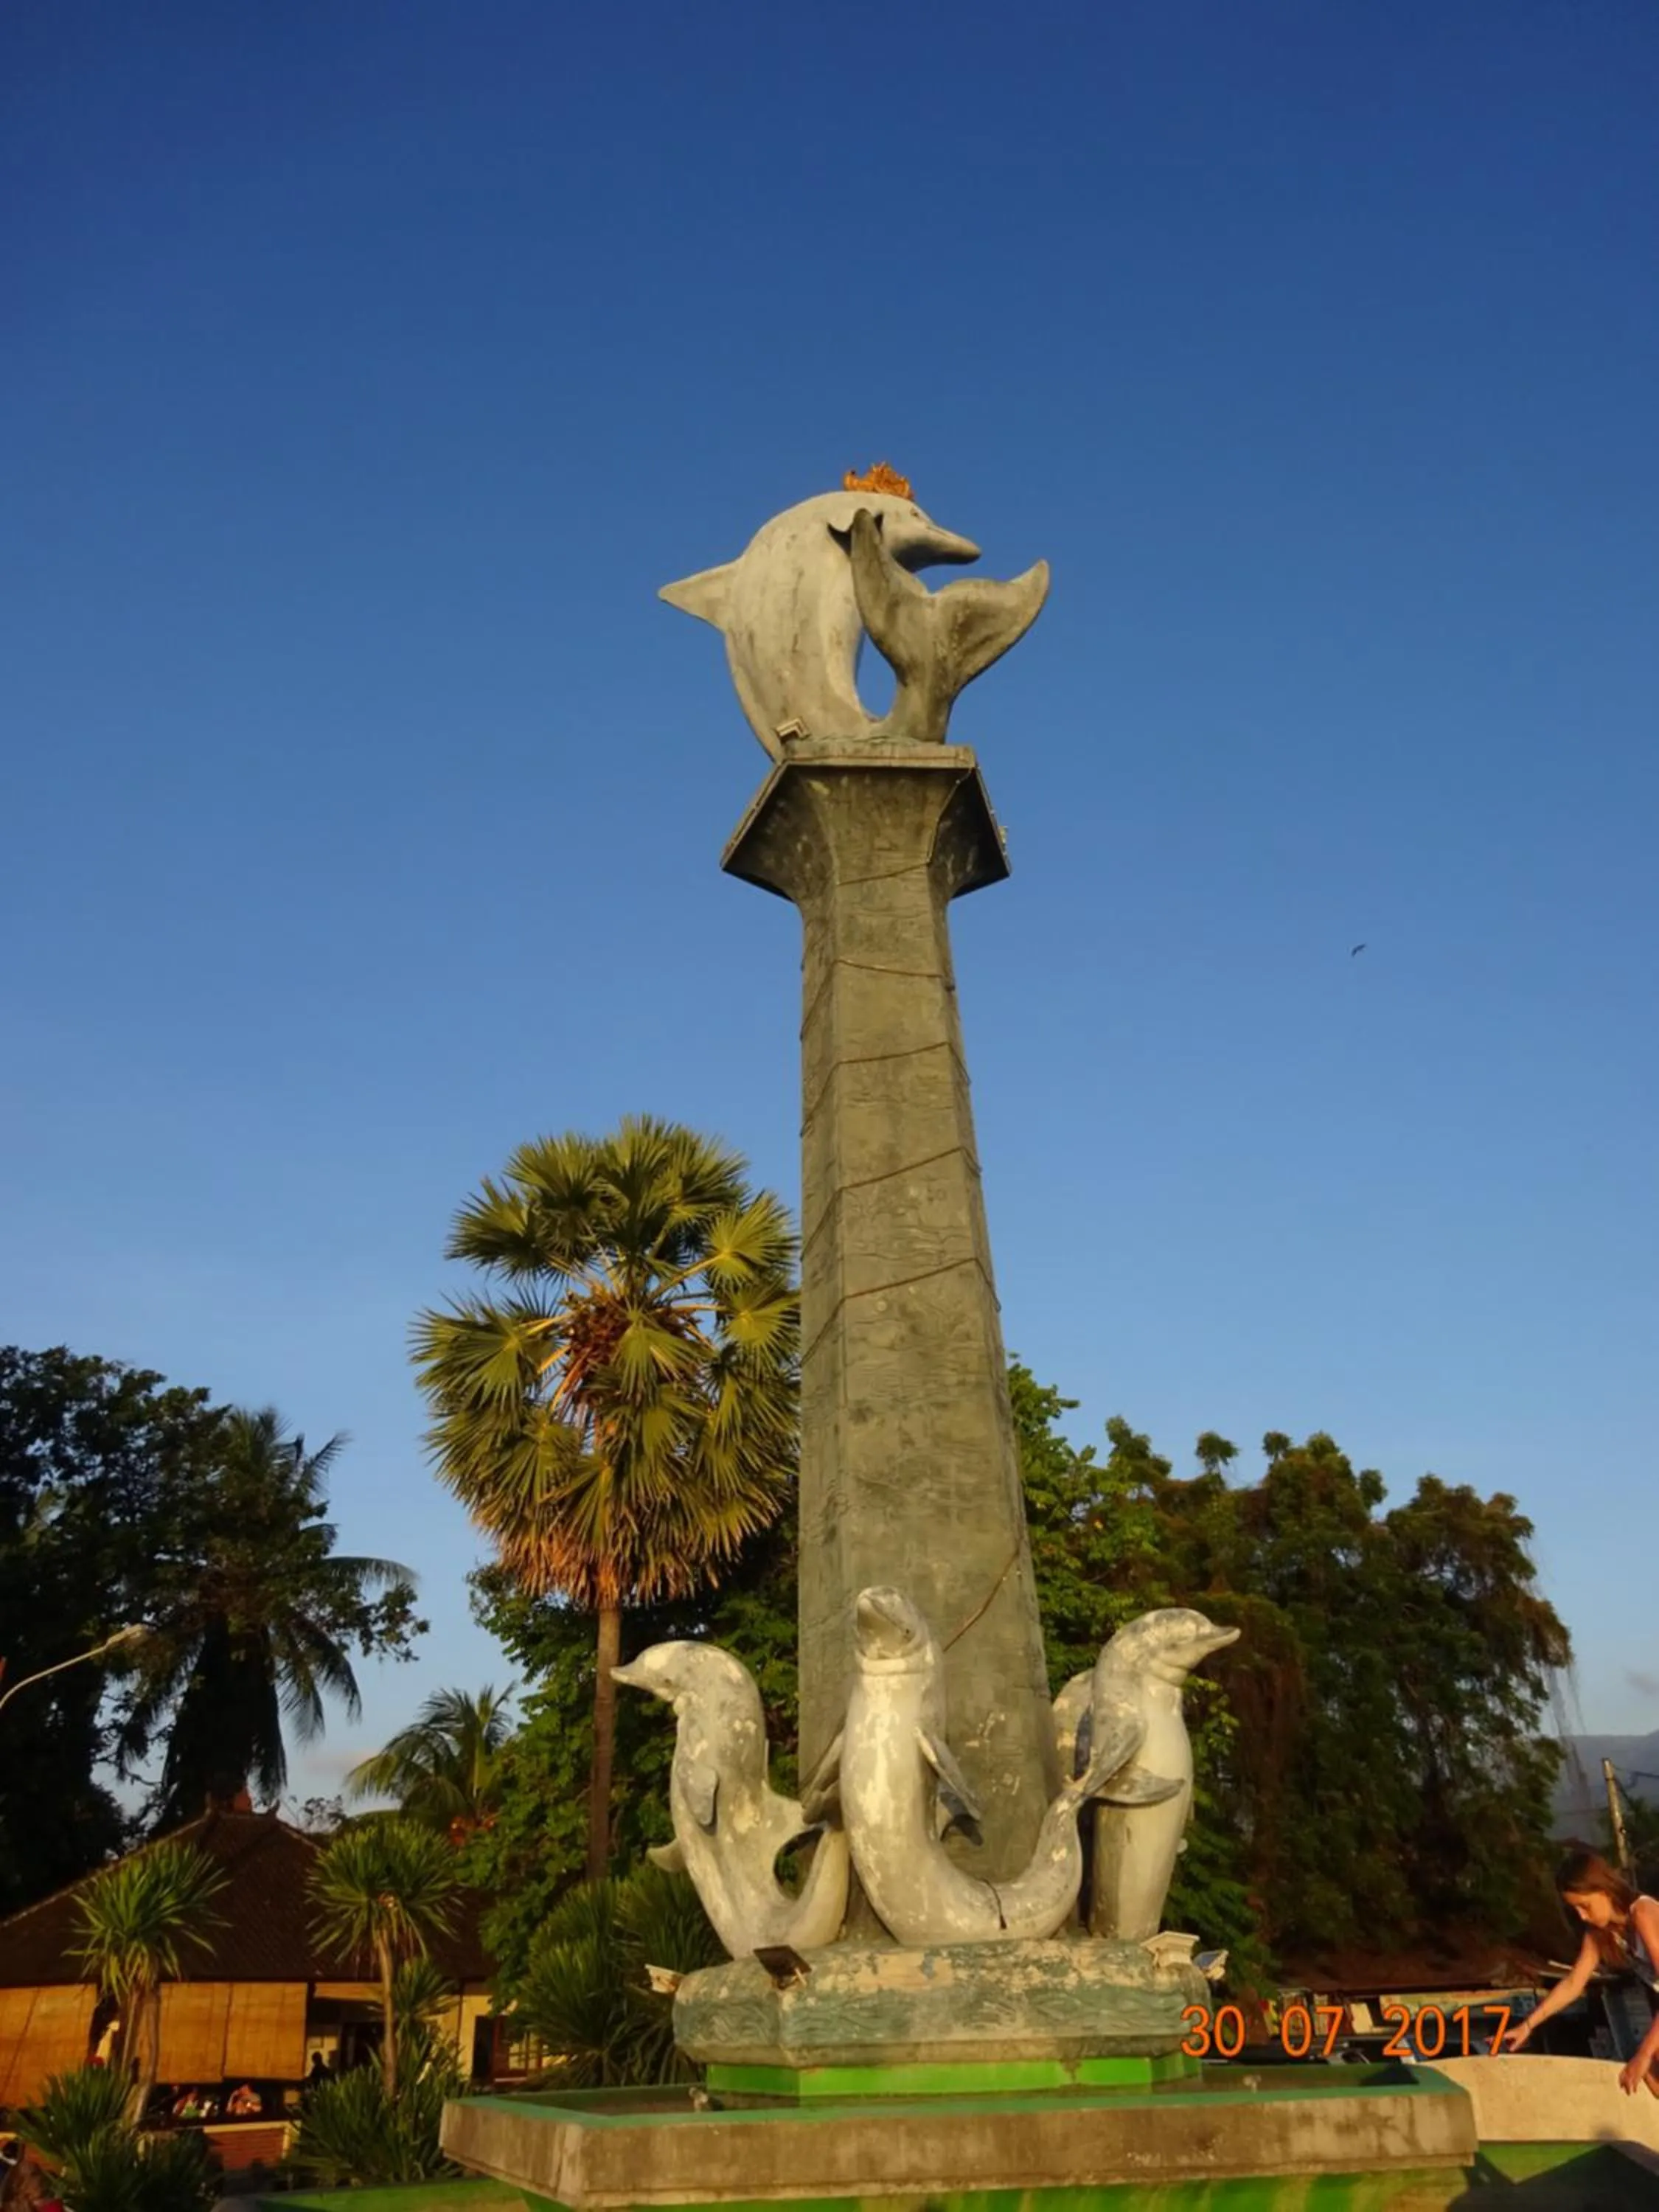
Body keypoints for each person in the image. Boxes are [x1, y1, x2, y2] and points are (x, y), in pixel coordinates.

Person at [1501, 1847, 1659, 2095]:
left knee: (1649, 2060)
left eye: (1585, 1906)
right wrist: (1528, 2025)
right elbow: (1574, 1983)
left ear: (1604, 1890)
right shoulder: (1601, 1933)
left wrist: (1643, 2055)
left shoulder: (1643, 1914)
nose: (1582, 1916)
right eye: (1575, 1910)